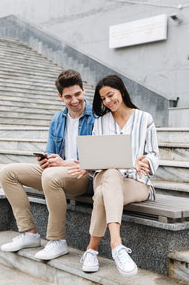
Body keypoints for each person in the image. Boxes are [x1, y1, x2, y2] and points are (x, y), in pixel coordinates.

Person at [0, 69, 95, 260]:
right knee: (6, 172)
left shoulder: (97, 117)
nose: (74, 100)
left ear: (84, 90)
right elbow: (51, 153)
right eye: (68, 97)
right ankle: (29, 233)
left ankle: (57, 241)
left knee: (51, 176)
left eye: (77, 94)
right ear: (60, 97)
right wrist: (46, 161)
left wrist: (63, 164)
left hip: (84, 176)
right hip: (57, 173)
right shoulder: (57, 120)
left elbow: (96, 161)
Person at [68, 75, 159, 277]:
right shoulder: (100, 123)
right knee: (110, 174)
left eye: (110, 95)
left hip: (135, 182)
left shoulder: (145, 119)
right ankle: (117, 245)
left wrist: (143, 162)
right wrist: (87, 165)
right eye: (103, 99)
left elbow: (154, 154)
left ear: (121, 91)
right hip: (106, 176)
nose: (108, 101)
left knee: (102, 195)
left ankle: (91, 250)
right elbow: (96, 157)